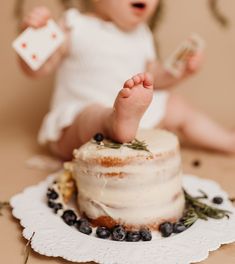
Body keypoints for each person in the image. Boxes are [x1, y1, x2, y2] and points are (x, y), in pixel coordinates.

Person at [18, 0, 235, 160]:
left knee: (176, 105)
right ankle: (115, 122)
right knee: (92, 115)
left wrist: (180, 70)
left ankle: (228, 142)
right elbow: (37, 69)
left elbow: (152, 79)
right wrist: (33, 36)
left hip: (132, 121)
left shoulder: (142, 35)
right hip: (76, 124)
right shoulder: (75, 26)